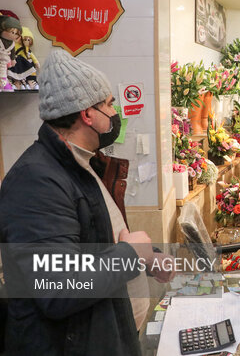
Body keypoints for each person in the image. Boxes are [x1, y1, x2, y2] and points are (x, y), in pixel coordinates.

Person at [0, 49, 174, 355]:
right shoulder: (36, 182)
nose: (113, 112)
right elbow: (56, 287)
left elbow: (96, 242)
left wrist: (147, 256)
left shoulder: (82, 164)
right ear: (87, 114)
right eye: (108, 104)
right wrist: (130, 254)